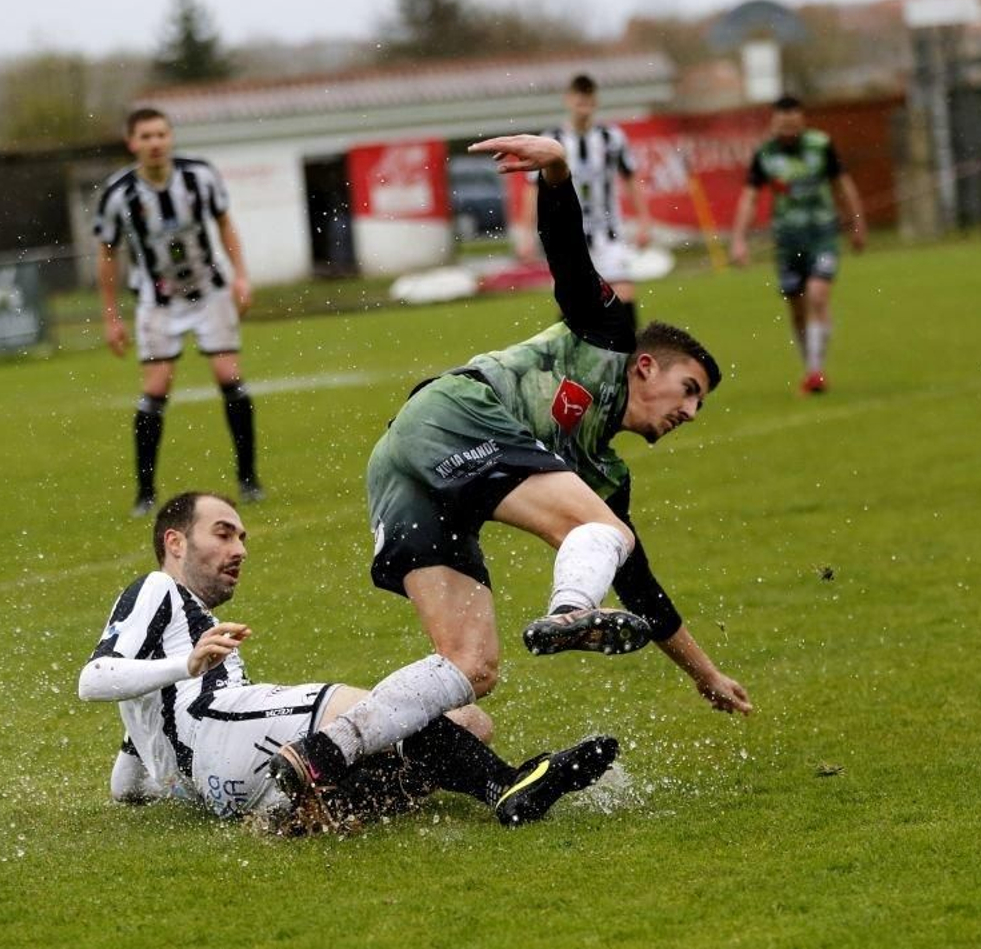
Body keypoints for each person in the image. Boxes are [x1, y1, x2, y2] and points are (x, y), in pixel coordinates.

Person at [268, 134, 752, 802]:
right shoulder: (607, 335)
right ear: (647, 365)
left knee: (473, 666)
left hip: (401, 470)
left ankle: (322, 755)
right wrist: (555, 170)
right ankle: (571, 609)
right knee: (605, 534)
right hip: (455, 414)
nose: (692, 410)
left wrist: (705, 674)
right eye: (691, 388)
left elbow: (642, 589)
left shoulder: (604, 475)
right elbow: (567, 252)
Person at [77, 490, 619, 831]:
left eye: (242, 537)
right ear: (174, 541)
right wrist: (187, 667)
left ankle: (302, 810)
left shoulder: (172, 659)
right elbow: (94, 677)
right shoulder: (158, 589)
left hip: (227, 783)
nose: (239, 548)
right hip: (223, 726)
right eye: (223, 533)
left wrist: (162, 777)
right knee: (401, 715)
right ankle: (505, 787)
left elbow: (127, 784)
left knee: (470, 724)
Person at [94, 107, 262, 517]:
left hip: (208, 291)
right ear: (132, 143)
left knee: (229, 377)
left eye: (161, 134)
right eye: (146, 137)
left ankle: (249, 478)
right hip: (157, 300)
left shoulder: (200, 177)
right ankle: (145, 492)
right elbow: (107, 253)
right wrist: (111, 315)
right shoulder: (118, 195)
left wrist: (241, 276)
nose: (155, 143)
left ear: (171, 138)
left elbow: (225, 224)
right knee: (156, 388)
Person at [728, 95, 867, 396]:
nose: (788, 132)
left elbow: (843, 185)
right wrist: (739, 240)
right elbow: (750, 198)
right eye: (782, 127)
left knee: (818, 296)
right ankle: (810, 367)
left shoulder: (821, 145)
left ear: (802, 121)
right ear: (773, 125)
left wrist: (857, 224)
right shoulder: (765, 154)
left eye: (793, 126)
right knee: (797, 308)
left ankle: (816, 372)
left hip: (822, 235)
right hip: (787, 241)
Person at [514, 73, 651, 322]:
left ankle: (626, 358)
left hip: (608, 232)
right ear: (568, 100)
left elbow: (630, 178)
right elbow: (533, 188)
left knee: (624, 296)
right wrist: (526, 235)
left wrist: (644, 221)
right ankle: (573, 358)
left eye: (588, 96)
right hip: (568, 235)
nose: (584, 102)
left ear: (595, 100)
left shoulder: (612, 138)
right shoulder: (552, 140)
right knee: (573, 305)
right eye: (579, 96)